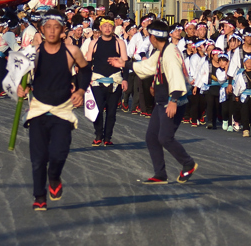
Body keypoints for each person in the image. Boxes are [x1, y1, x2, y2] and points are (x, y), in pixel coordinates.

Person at [17, 11, 88, 211]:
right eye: (48, 27)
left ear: (63, 30)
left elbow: (85, 69)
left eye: (56, 27)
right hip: (38, 109)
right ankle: (39, 196)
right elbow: (19, 75)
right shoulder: (33, 52)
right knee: (38, 158)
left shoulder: (72, 51)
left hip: (62, 110)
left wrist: (81, 90)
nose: (52, 31)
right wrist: (21, 87)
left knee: (58, 154)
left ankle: (54, 178)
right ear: (42, 29)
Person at [119, 19, 199, 185]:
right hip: (162, 100)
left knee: (165, 138)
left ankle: (188, 163)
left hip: (171, 101)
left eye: (149, 37)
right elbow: (148, 66)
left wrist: (174, 100)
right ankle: (160, 174)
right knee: (152, 137)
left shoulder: (169, 54)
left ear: (154, 38)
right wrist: (124, 64)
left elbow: (176, 76)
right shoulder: (163, 51)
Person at [83, 17, 127, 146]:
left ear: (113, 28)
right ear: (100, 28)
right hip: (97, 80)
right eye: (104, 26)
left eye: (110, 26)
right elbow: (88, 62)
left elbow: (125, 62)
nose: (107, 28)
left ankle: (107, 137)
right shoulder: (94, 43)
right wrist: (86, 80)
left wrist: (125, 80)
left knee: (112, 111)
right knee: (97, 110)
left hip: (115, 80)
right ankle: (98, 135)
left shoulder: (120, 43)